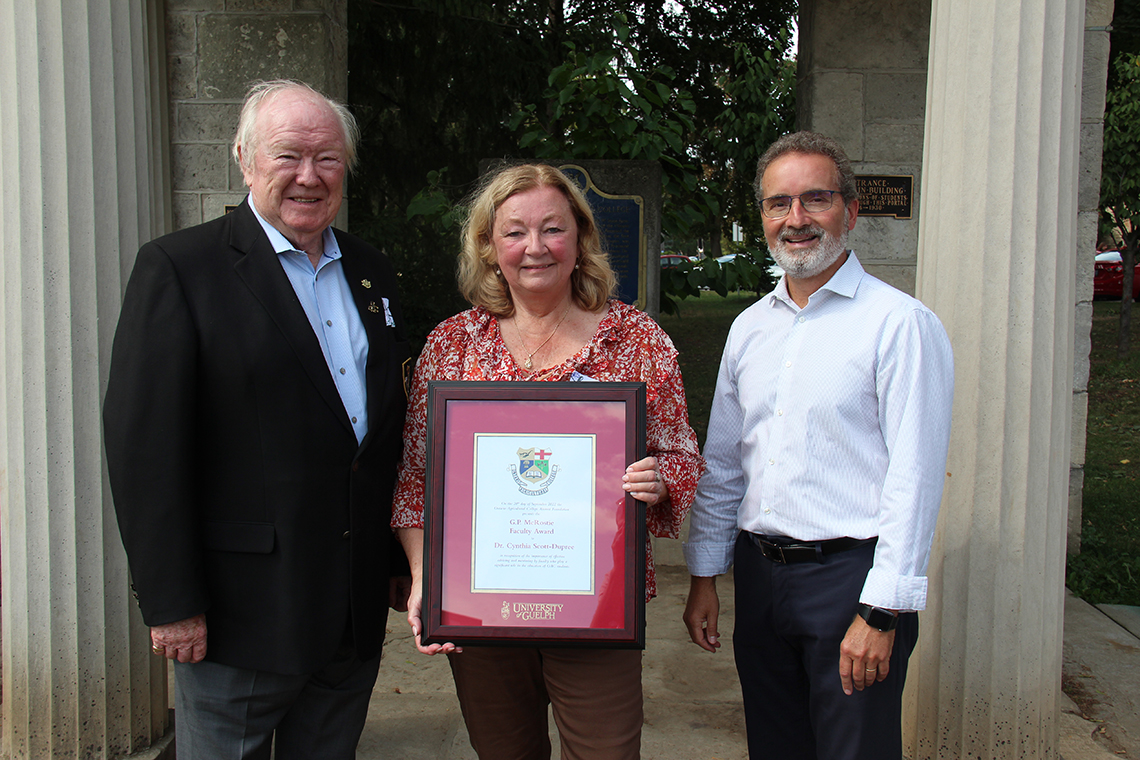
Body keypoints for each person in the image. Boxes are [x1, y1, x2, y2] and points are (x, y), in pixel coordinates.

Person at [103, 80, 411, 759]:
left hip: (348, 617)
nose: (310, 175)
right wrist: (170, 601)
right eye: (289, 155)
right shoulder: (181, 268)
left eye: (328, 158)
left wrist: (391, 557)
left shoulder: (370, 270)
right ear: (244, 158)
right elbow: (144, 449)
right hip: (239, 616)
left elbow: (378, 434)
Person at [392, 163, 705, 760]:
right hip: (479, 605)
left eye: (552, 229)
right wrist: (425, 574)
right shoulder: (452, 344)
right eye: (513, 232)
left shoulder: (637, 340)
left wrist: (659, 479)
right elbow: (415, 479)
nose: (534, 247)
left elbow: (683, 455)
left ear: (581, 239)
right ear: (488, 246)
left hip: (595, 603)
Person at [682, 131, 954, 760]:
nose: (796, 219)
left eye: (816, 200)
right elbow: (724, 465)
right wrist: (704, 574)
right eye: (779, 204)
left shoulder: (899, 325)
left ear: (850, 211)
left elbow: (914, 478)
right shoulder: (749, 329)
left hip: (850, 582)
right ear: (763, 219)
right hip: (760, 577)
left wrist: (882, 612)